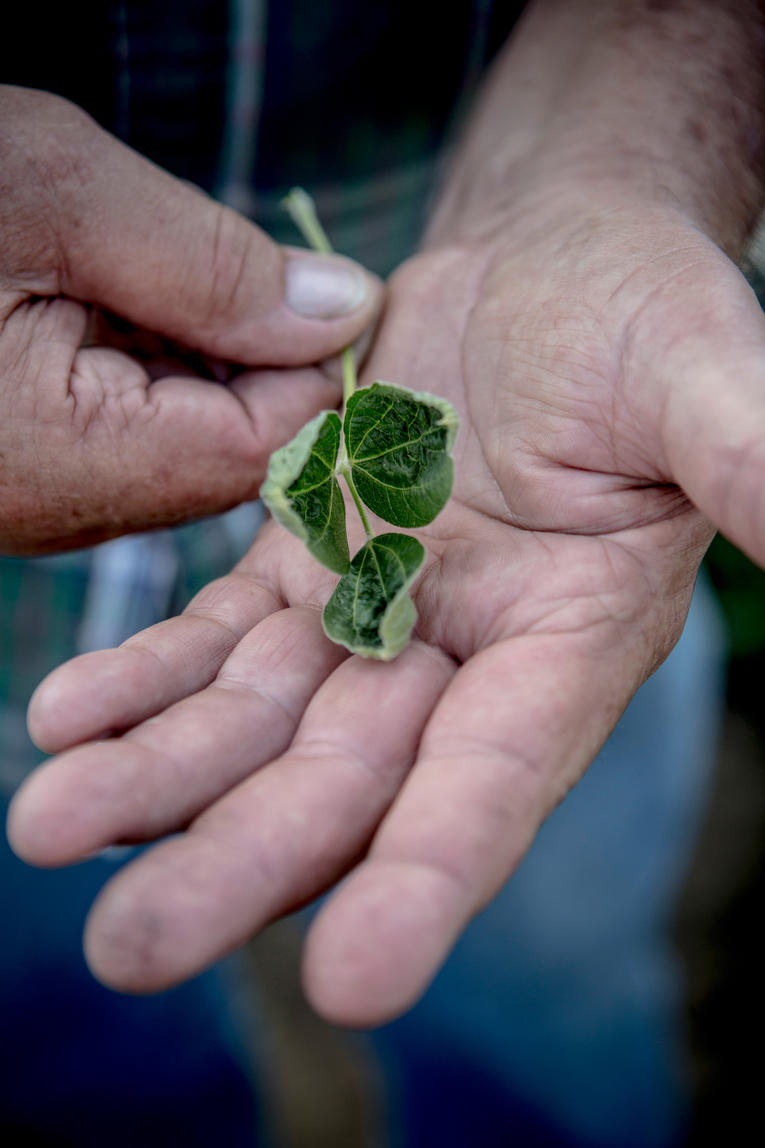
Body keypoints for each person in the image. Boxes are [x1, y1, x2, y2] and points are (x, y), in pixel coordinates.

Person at [2, 0, 764, 1142]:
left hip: (536, 518)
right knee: (71, 1039)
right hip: (14, 623)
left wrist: (618, 158)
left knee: (546, 985)